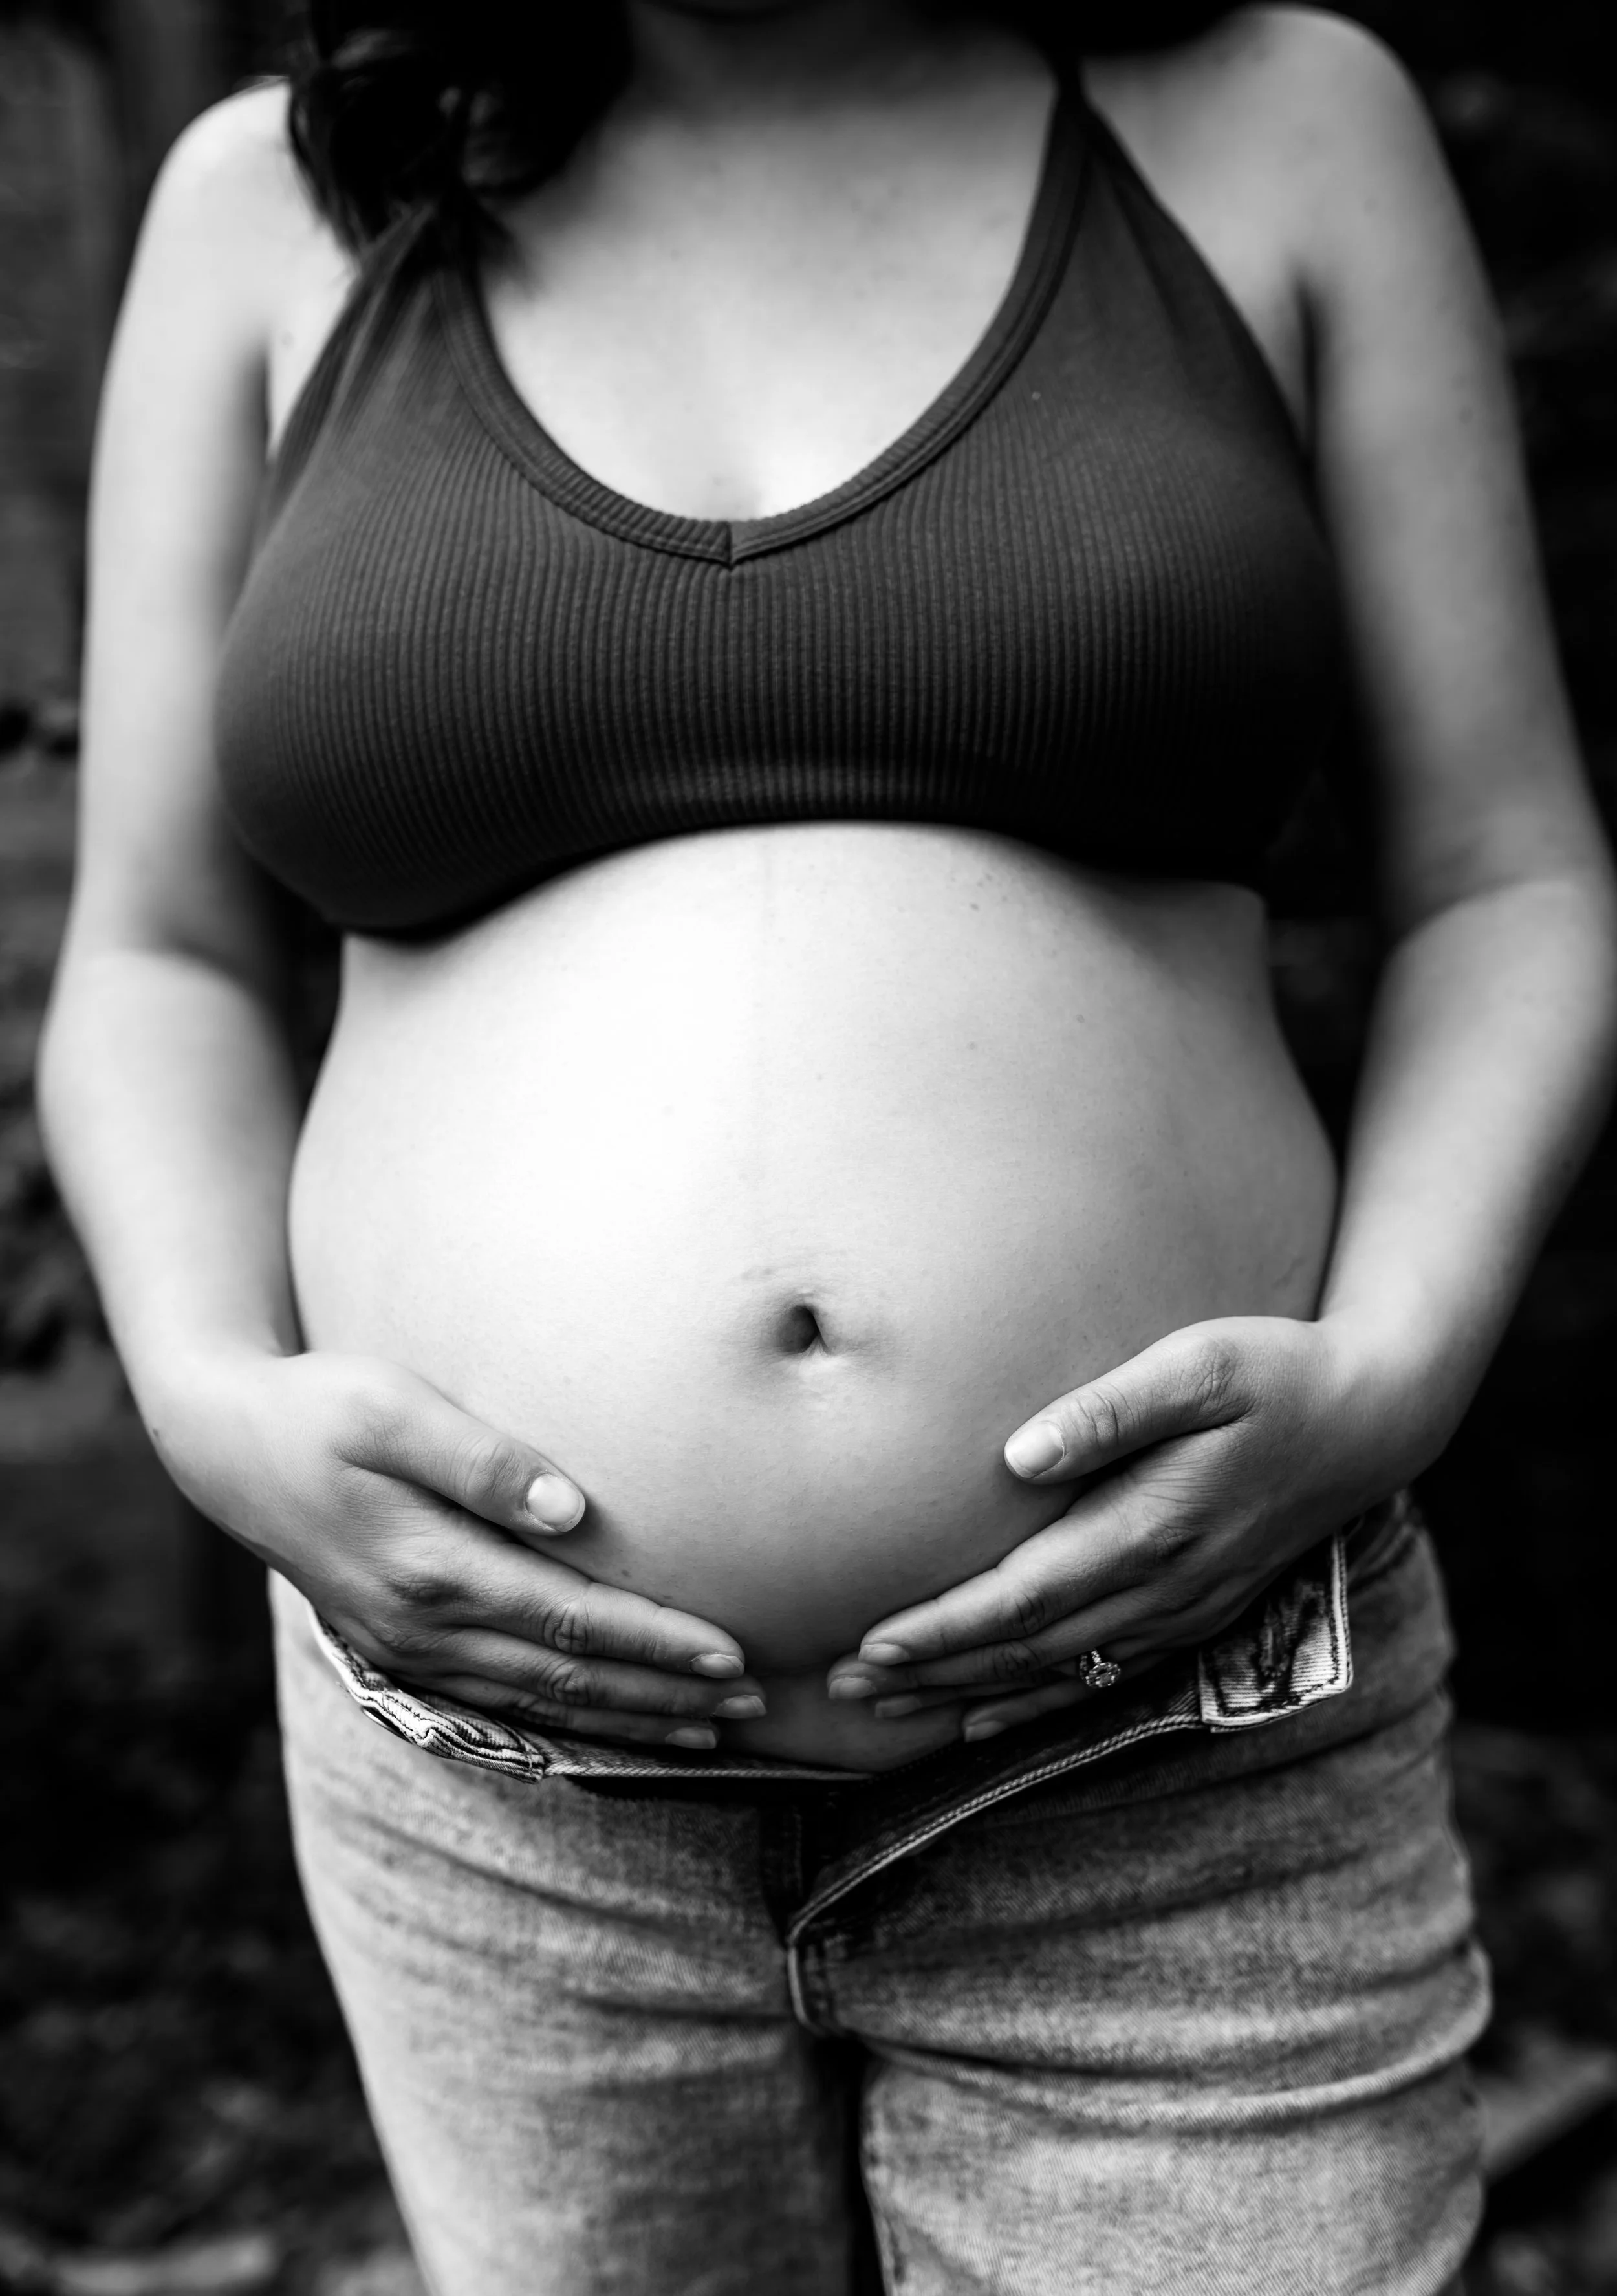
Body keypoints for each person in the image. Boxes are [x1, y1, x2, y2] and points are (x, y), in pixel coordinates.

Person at [38, 0, 1617, 2286]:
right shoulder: (271, 207)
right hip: (494, 1783)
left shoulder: (1270, 122)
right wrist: (206, 1395)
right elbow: (160, 951)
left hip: (1174, 1748)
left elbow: (1509, 876)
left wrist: (1393, 1361)